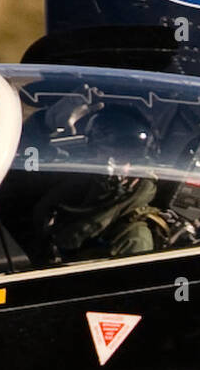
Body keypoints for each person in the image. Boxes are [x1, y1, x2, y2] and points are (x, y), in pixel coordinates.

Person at [33, 104, 168, 261]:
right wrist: (44, 123)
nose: (109, 163)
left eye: (121, 157)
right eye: (103, 151)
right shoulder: (78, 189)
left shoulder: (134, 237)